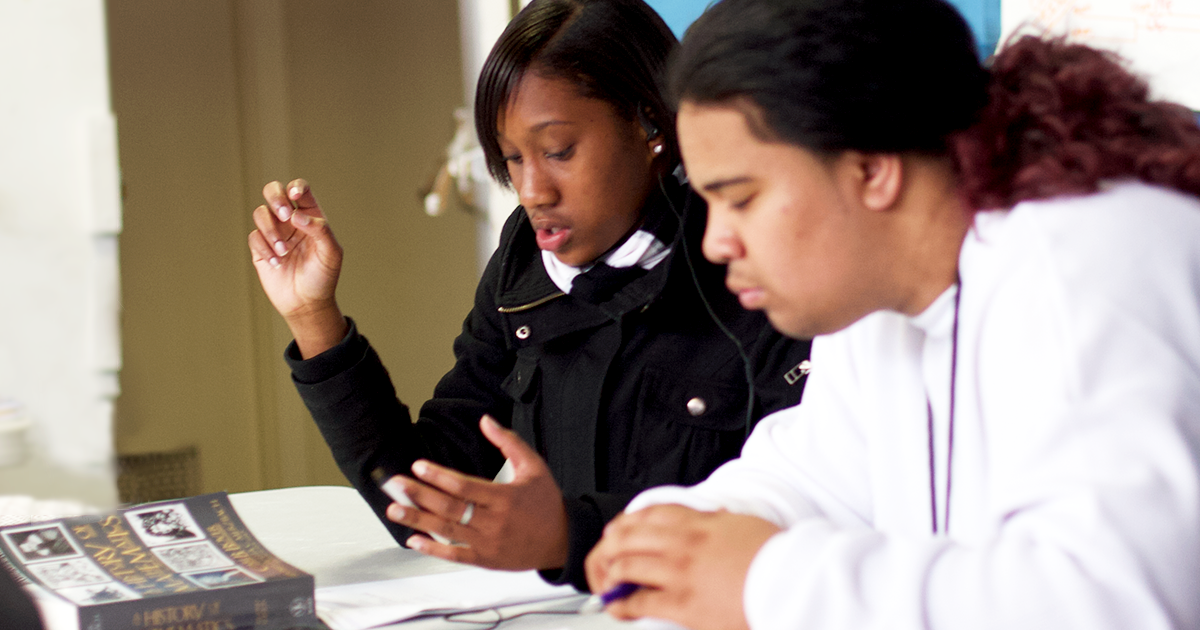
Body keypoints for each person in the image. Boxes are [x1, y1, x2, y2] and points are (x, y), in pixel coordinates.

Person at [584, 0, 1200, 627]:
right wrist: (680, 538)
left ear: (873, 169)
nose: (715, 243)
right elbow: (818, 476)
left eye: (740, 198)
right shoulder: (876, 299)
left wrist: (767, 582)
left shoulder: (1082, 255)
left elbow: (1112, 600)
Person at [246, 0, 810, 590]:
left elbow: (788, 519)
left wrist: (569, 535)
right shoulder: (523, 263)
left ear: (650, 125)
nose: (533, 190)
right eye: (513, 158)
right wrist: (314, 316)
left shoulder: (750, 268)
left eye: (558, 150)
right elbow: (424, 504)